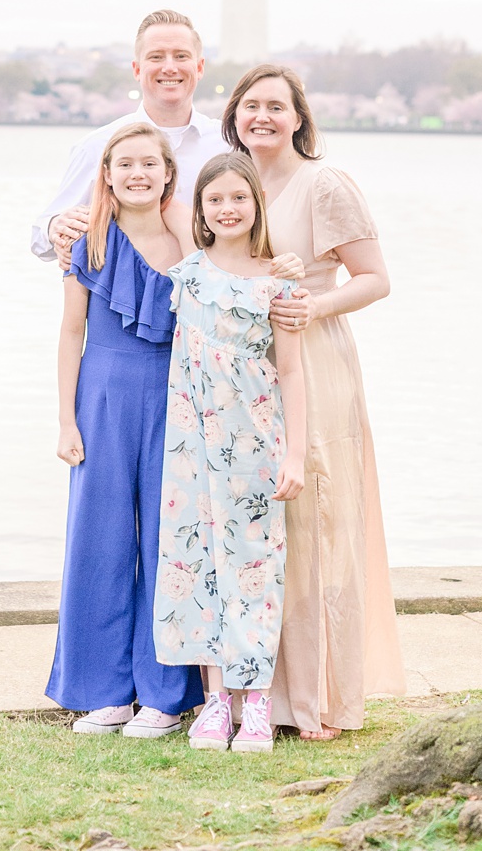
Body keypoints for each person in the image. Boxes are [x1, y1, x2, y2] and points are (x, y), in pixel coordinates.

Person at [222, 63, 404, 738]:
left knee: (316, 518)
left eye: (276, 106)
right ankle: (257, 693)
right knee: (259, 527)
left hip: (315, 361)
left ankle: (319, 697)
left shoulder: (323, 185)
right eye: (250, 105)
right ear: (235, 116)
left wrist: (311, 306)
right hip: (243, 372)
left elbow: (376, 278)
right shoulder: (231, 186)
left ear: (299, 118)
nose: (262, 116)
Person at [46, 124, 204, 734]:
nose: (137, 173)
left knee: (170, 544)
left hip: (175, 398)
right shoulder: (88, 242)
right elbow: (70, 333)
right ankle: (103, 690)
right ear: (106, 175)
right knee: (99, 540)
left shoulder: (190, 245)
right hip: (103, 397)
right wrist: (66, 420)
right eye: (124, 164)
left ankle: (166, 695)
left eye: (149, 163)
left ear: (168, 173)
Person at [160, 152, 307, 754]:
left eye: (238, 198)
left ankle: (256, 707)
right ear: (199, 210)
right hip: (192, 445)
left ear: (257, 206)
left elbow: (293, 374)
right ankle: (215, 701)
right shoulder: (186, 275)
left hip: (253, 442)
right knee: (200, 565)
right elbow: (140, 195)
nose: (227, 208)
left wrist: (294, 454)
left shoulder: (278, 282)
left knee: (254, 567)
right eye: (214, 199)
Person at [31, 10, 229, 264]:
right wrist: (56, 227)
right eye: (156, 57)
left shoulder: (228, 144)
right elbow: (40, 241)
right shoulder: (97, 146)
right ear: (137, 69)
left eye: (181, 56)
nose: (169, 67)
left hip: (209, 296)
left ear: (199, 67)